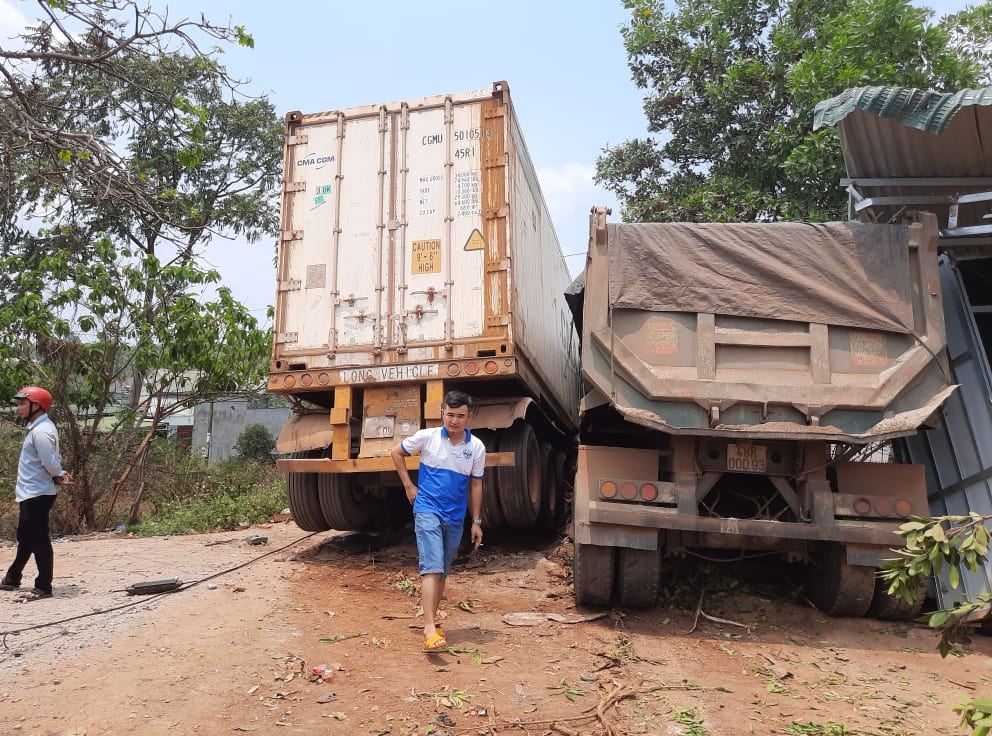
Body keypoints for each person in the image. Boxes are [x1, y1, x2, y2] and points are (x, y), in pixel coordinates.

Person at [390, 390, 485, 652]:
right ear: (442, 412)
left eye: (460, 416)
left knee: (442, 570)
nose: (454, 421)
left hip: (455, 516)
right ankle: (429, 627)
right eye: (450, 414)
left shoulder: (476, 447)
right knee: (432, 567)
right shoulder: (427, 437)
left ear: (468, 417)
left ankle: (433, 620)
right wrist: (409, 486)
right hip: (427, 509)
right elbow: (396, 453)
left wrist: (475, 520)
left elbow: (476, 485)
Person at [1, 386, 72, 601]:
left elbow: (50, 463)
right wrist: (57, 473)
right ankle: (13, 578)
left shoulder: (41, 432)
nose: (19, 408)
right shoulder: (37, 427)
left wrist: (58, 473)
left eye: (23, 404)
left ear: (36, 406)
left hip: (38, 493)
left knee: (38, 538)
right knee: (25, 536)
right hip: (31, 491)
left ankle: (43, 586)